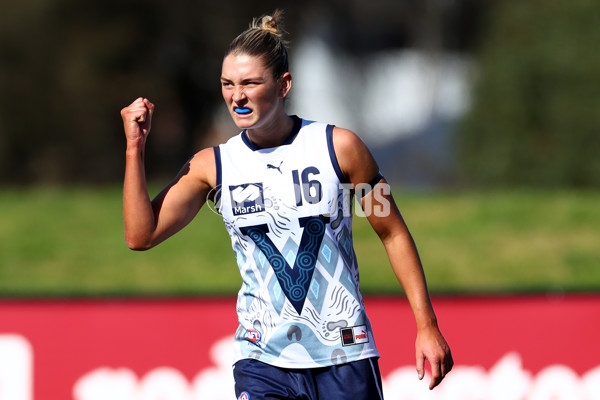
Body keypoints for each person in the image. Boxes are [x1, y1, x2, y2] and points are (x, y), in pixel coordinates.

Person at [121, 10, 452, 400]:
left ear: (283, 85)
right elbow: (140, 235)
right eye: (228, 84)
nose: (237, 96)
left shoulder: (340, 149)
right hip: (262, 361)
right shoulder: (212, 166)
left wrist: (426, 325)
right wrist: (134, 148)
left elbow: (392, 233)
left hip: (343, 355)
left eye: (250, 83)